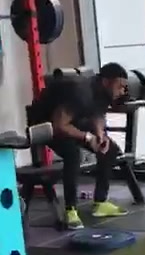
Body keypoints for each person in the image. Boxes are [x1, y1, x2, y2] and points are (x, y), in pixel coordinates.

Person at [27, 63, 129, 229]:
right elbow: (59, 125)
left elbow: (98, 115)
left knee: (109, 149)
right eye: (120, 86)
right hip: (44, 125)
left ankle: (100, 202)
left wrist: (99, 135)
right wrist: (88, 137)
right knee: (73, 154)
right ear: (106, 82)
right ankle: (70, 211)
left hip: (71, 121)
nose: (122, 91)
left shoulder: (103, 93)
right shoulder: (81, 93)